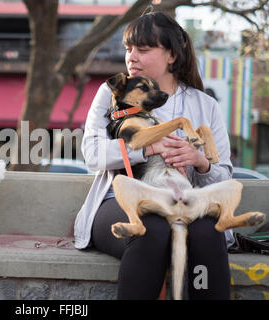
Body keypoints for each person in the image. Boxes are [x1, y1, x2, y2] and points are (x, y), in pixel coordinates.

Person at [74, 12, 234, 300]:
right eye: (128, 49)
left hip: (185, 200)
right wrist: (147, 147)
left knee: (208, 234)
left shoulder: (205, 104)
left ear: (171, 55)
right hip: (120, 202)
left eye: (143, 50)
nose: (131, 57)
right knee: (151, 230)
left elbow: (223, 175)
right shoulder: (111, 93)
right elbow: (93, 154)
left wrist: (199, 161)